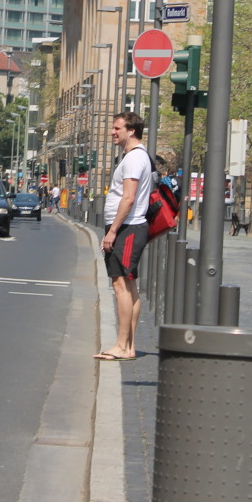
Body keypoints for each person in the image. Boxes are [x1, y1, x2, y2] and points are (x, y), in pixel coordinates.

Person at [95, 111, 153, 362]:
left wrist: (112, 231)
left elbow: (128, 198)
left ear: (131, 131)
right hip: (131, 227)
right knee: (129, 285)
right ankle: (128, 346)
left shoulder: (133, 159)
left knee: (121, 286)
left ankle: (121, 345)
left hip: (128, 228)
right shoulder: (135, 157)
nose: (112, 132)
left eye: (117, 128)